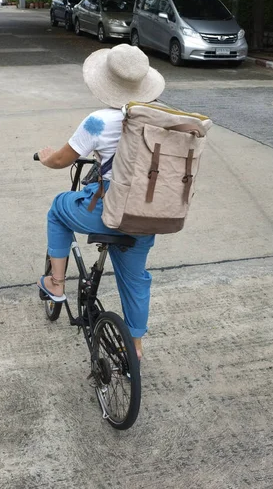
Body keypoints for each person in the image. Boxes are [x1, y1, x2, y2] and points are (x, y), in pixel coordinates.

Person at [36, 44, 165, 360]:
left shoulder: (98, 120)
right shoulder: (160, 117)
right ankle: (134, 347)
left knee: (58, 207)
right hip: (147, 214)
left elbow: (61, 161)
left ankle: (55, 283)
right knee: (135, 280)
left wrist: (45, 157)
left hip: (106, 212)